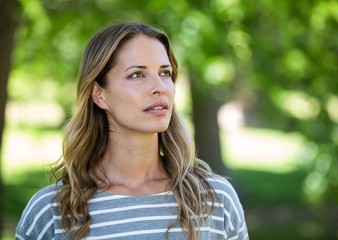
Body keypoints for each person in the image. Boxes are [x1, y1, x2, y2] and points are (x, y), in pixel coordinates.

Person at [15, 22, 249, 240]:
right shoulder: (51, 211)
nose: (159, 88)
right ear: (99, 94)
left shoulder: (215, 199)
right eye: (137, 74)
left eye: (165, 73)